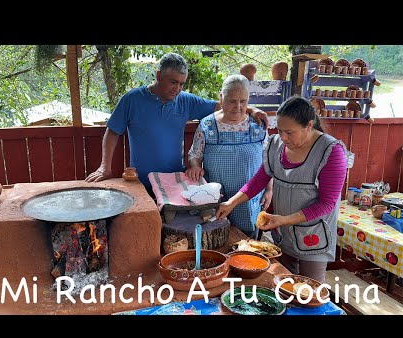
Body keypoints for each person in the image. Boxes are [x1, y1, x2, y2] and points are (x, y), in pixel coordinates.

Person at [85, 52, 268, 193]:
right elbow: (113, 131)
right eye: (173, 82)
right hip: (141, 182)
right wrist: (104, 167)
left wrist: (251, 109)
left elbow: (223, 104)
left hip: (174, 182)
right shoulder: (132, 99)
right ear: (158, 75)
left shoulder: (186, 100)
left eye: (182, 84)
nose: (178, 89)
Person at [215, 96, 348, 283]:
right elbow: (259, 180)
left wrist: (283, 220)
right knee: (285, 283)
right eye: (279, 130)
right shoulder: (275, 144)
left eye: (289, 132)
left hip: (314, 236)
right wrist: (232, 202)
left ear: (309, 126)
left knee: (311, 289)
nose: (283, 137)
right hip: (283, 233)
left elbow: (326, 204)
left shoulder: (331, 152)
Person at [185, 74, 273, 236]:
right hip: (216, 198)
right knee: (216, 236)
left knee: (246, 245)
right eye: (232, 101)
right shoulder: (207, 125)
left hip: (248, 199)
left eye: (243, 101)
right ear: (221, 98)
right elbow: (195, 154)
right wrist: (196, 166)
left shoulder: (258, 125)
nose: (238, 107)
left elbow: (269, 161)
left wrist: (269, 189)